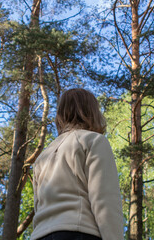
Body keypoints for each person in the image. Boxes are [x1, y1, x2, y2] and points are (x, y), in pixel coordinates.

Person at [30, 88, 123, 240]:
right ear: (92, 112)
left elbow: (38, 206)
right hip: (80, 233)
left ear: (61, 114)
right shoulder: (94, 141)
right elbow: (105, 201)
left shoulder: (43, 156)